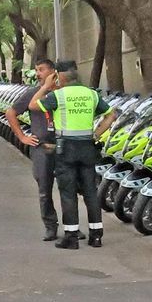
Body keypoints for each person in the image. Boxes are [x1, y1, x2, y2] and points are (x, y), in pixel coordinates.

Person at [32, 60, 111, 249]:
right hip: (88, 148)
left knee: (68, 193)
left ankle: (71, 237)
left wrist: (46, 86)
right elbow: (110, 115)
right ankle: (96, 236)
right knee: (90, 192)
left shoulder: (58, 96)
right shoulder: (91, 94)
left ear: (59, 76)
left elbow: (33, 105)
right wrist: (96, 134)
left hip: (66, 150)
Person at [7, 57, 59, 241]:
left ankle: (72, 226)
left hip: (64, 147)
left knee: (69, 189)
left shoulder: (63, 92)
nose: (38, 73)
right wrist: (22, 137)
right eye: (36, 70)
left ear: (53, 72)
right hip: (41, 148)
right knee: (44, 190)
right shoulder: (33, 93)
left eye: (41, 69)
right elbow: (11, 113)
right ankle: (50, 226)